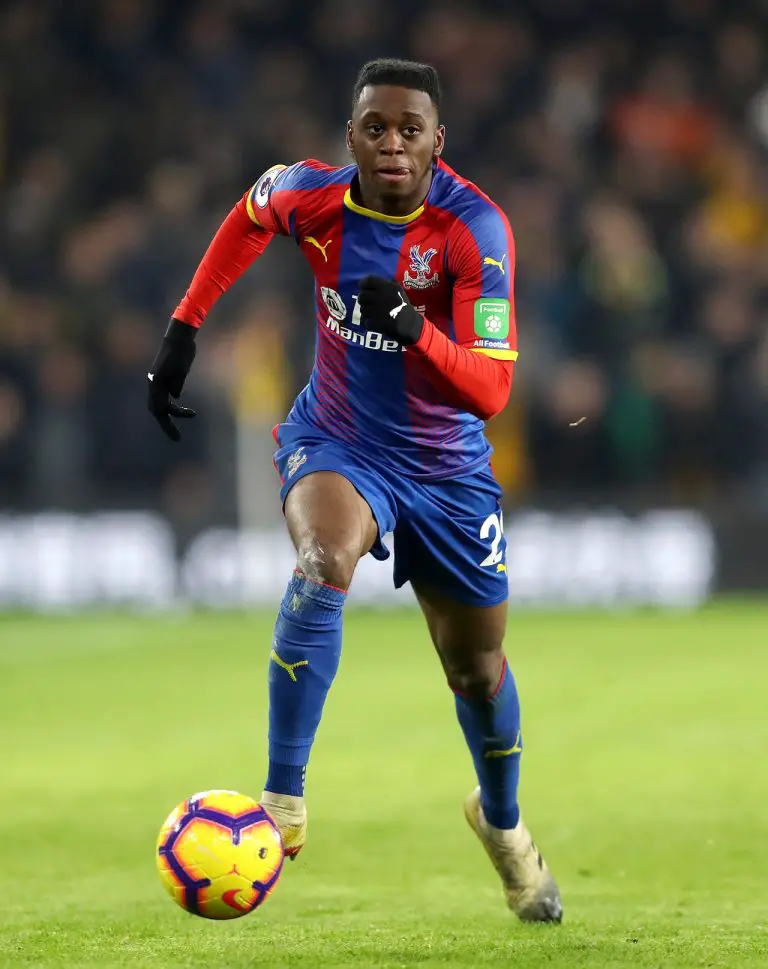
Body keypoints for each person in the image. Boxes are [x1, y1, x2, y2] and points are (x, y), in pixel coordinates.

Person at [147, 58, 562, 923]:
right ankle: (283, 798)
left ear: (438, 141)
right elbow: (249, 213)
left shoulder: (474, 228)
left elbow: (491, 391)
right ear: (352, 136)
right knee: (322, 559)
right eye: (376, 127)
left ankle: (503, 822)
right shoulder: (314, 196)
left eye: (411, 129)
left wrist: (412, 327)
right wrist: (186, 325)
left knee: (476, 670)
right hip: (339, 439)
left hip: (447, 470)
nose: (393, 144)